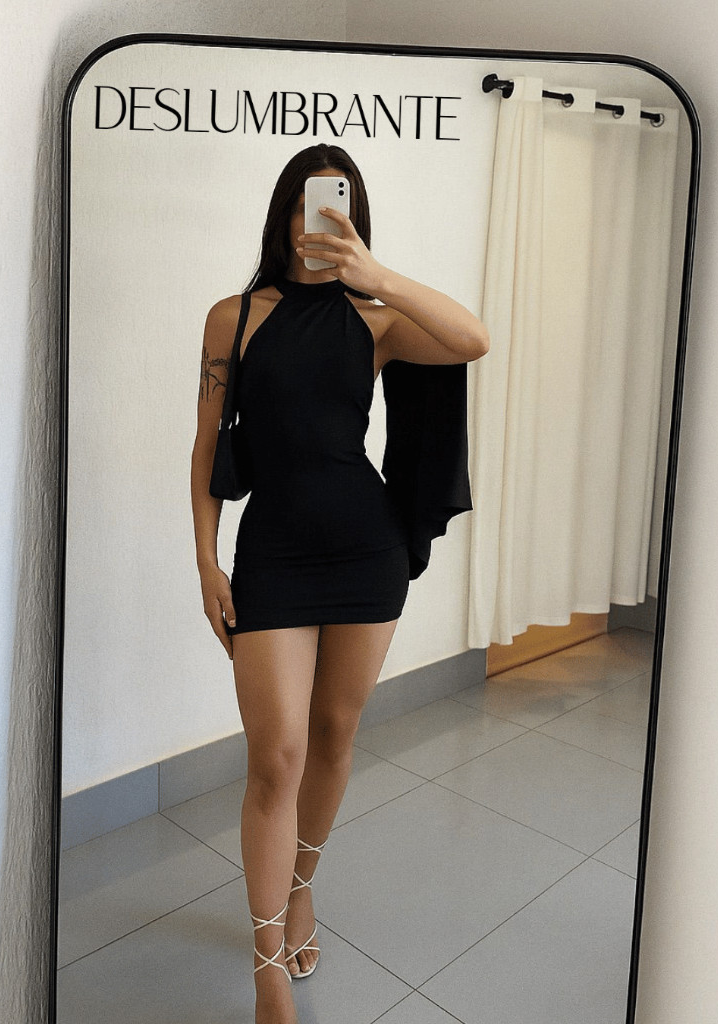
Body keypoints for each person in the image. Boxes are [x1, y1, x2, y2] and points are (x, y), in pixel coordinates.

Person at [190, 143, 489, 1024]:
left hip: (366, 549)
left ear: (354, 219)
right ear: (285, 211)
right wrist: (206, 560)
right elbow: (206, 446)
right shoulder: (234, 317)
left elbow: (473, 338)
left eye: (340, 205)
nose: (320, 219)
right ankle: (266, 964)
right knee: (275, 754)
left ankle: (301, 886)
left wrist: (375, 274)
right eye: (310, 203)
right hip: (274, 551)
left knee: (333, 733)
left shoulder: (377, 320)